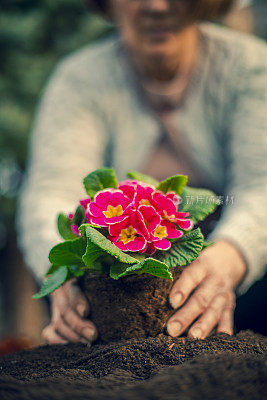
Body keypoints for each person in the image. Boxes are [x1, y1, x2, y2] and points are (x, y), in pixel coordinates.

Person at [17, 0, 267, 344]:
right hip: (116, 296)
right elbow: (51, 193)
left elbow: (261, 187)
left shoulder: (252, 66)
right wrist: (66, 277)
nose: (157, 6)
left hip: (242, 286)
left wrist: (231, 256)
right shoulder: (78, 80)